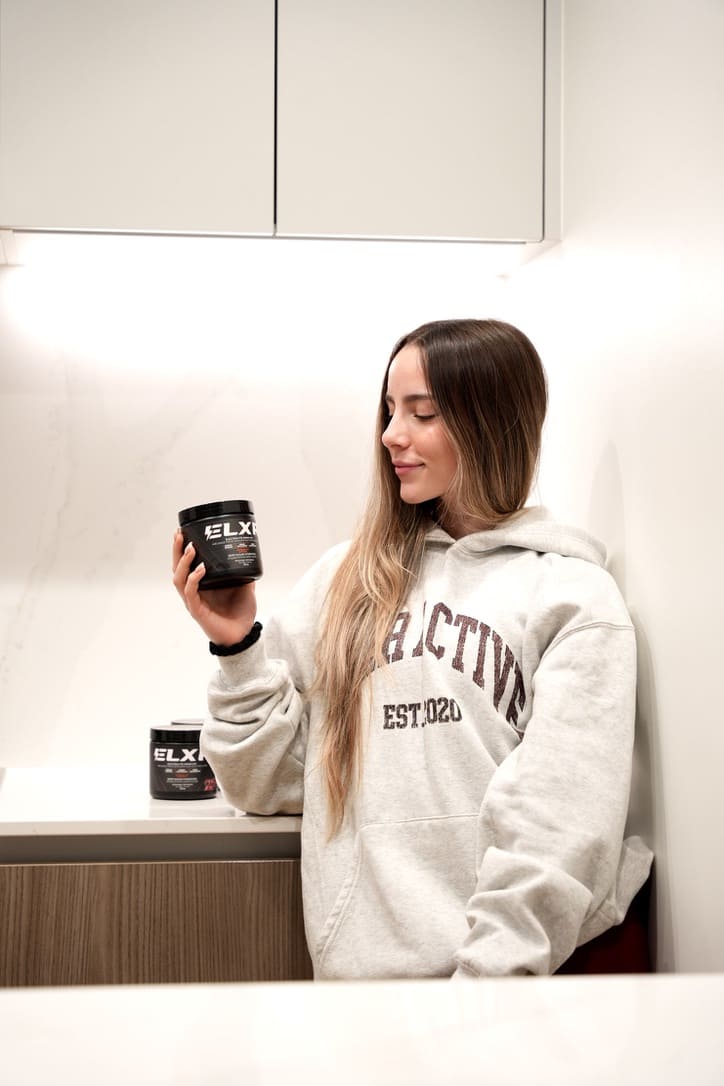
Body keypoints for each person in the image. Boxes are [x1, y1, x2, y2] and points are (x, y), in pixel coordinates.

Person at [172, 318, 653, 979]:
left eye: (422, 414)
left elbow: (558, 824)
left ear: (491, 425)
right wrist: (238, 646)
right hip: (360, 994)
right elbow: (267, 785)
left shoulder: (573, 597)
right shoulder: (346, 582)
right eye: (390, 410)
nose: (391, 434)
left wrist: (481, 992)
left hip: (509, 993)